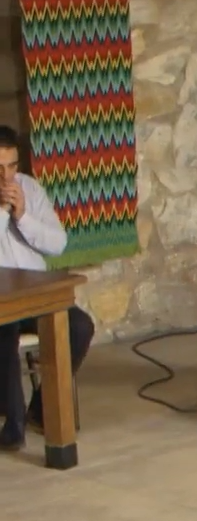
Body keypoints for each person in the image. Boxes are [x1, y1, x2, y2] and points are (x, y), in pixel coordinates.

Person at [0, 126, 95, 453]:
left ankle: (42, 409)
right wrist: (2, 213)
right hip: (3, 304)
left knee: (79, 326)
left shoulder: (30, 189)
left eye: (11, 166)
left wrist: (23, 216)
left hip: (35, 296)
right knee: (4, 331)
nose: (6, 177)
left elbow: (58, 243)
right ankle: (12, 426)